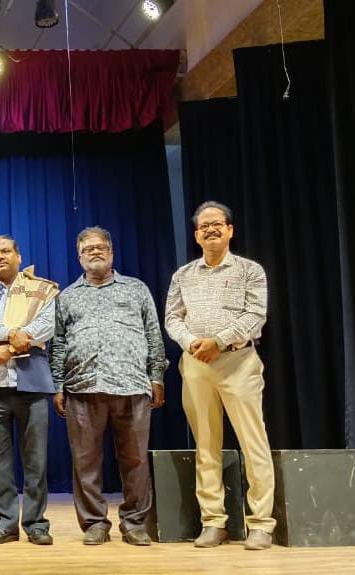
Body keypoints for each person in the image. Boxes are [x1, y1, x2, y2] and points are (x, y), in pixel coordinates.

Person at [165, 201, 275, 551]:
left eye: (217, 224)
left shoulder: (249, 270)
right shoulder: (183, 275)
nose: (210, 230)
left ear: (230, 230)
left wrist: (219, 341)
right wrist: (192, 343)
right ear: (196, 235)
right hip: (196, 364)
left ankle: (261, 524)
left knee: (253, 443)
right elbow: (172, 318)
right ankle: (213, 522)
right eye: (203, 226)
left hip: (238, 361)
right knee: (206, 446)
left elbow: (255, 315)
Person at [49, 226, 167, 546]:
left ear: (111, 252)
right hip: (82, 387)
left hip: (132, 385)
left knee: (136, 460)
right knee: (85, 461)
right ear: (79, 257)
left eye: (101, 247)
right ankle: (94, 523)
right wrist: (58, 384)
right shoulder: (66, 296)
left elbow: (153, 333)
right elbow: (58, 344)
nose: (95, 252)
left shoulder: (136, 289)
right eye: (88, 249)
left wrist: (157, 376)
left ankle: (134, 523)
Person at [0, 235, 59, 545]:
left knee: (36, 460)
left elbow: (47, 326)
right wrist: (12, 334)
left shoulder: (40, 290)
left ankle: (36, 524)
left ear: (18, 256)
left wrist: (18, 342)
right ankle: (5, 524)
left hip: (32, 386)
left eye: (5, 251)